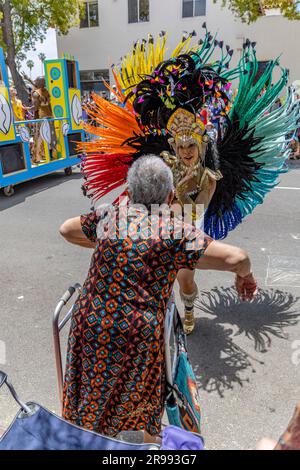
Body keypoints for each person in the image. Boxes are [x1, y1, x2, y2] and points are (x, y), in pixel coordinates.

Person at [80, 30, 299, 335]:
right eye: (179, 146)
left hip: (188, 228)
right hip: (160, 225)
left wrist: (175, 201)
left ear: (200, 145)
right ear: (173, 145)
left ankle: (189, 308)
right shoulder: (164, 164)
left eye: (190, 146)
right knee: (153, 274)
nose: (185, 152)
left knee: (184, 277)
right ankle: (159, 311)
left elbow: (194, 215)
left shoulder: (209, 176)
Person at [60, 155, 258, 442]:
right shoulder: (174, 231)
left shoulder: (109, 217)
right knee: (135, 415)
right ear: (169, 196)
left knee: (87, 403)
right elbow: (237, 257)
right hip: (136, 336)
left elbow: (66, 229)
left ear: (128, 193)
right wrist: (246, 277)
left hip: (89, 324)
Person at [31, 77, 58, 163]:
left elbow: (35, 108)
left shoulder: (36, 93)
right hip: (48, 116)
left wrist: (30, 109)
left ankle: (38, 157)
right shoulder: (45, 91)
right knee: (48, 136)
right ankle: (45, 155)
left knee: (40, 137)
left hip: (42, 117)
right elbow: (48, 104)